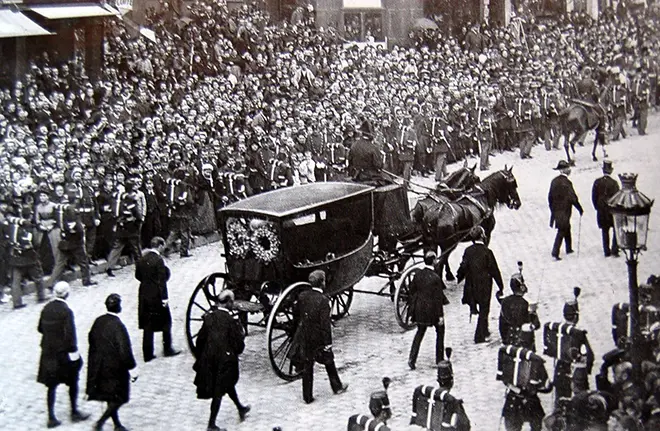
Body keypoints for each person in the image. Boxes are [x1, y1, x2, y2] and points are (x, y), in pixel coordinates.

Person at [193, 290, 250, 431]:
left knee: (227, 384)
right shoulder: (231, 321)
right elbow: (239, 345)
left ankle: (240, 408)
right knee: (218, 392)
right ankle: (211, 425)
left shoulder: (209, 318)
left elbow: (200, 340)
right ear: (229, 302)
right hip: (225, 360)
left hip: (209, 360)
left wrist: (204, 356)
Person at [289, 270, 348, 404]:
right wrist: (328, 343)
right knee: (329, 361)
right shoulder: (323, 301)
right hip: (318, 339)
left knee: (307, 367)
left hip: (305, 337)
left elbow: (297, 315)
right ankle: (337, 386)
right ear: (322, 283)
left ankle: (307, 396)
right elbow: (325, 325)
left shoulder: (302, 295)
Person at [37, 282, 90, 428]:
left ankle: (51, 417)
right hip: (63, 354)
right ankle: (74, 411)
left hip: (48, 352)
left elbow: (40, 328)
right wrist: (74, 354)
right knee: (73, 381)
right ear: (66, 294)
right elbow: (70, 336)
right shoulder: (66, 311)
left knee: (51, 385)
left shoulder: (46, 308)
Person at [87, 294, 138, 431]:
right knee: (120, 397)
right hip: (114, 368)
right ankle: (100, 423)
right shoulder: (118, 326)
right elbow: (125, 350)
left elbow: (91, 338)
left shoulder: (98, 321)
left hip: (99, 365)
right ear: (118, 307)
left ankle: (117, 425)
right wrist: (132, 369)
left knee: (111, 396)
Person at [136, 236, 181, 362]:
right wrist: (164, 298)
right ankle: (167, 348)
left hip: (144, 294)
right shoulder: (158, 260)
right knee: (166, 322)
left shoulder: (142, 258)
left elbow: (137, 275)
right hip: (157, 295)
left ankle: (147, 353)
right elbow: (162, 281)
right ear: (160, 246)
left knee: (147, 325)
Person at [457, 226, 504, 344]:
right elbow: (494, 269)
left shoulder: (468, 251)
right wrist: (500, 285)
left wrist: (459, 276)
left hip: (471, 284)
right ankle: (479, 336)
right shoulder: (487, 252)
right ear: (482, 236)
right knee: (484, 309)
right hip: (484, 285)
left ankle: (485, 329)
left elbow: (463, 266)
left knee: (479, 306)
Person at [408, 250, 449, 370]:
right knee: (440, 332)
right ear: (433, 261)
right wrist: (440, 316)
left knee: (419, 333)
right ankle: (439, 359)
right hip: (433, 312)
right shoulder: (436, 278)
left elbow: (412, 291)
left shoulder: (418, 275)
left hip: (420, 311)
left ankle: (412, 358)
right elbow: (438, 299)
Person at [497, 266, 540, 349]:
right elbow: (536, 324)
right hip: (523, 342)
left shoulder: (505, 301)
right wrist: (533, 313)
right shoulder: (525, 303)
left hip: (507, 340)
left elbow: (502, 325)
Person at [548, 160, 584, 261]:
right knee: (562, 229)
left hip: (556, 209)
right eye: (568, 168)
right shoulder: (567, 183)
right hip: (565, 209)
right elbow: (572, 197)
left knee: (566, 226)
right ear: (564, 170)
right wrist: (579, 208)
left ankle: (568, 248)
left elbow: (550, 197)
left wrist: (552, 209)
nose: (570, 170)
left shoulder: (554, 181)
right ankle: (555, 252)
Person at [592, 160, 620, 257]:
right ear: (611, 170)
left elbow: (594, 197)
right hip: (611, 210)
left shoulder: (597, 182)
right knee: (616, 229)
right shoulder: (614, 183)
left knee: (605, 230)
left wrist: (597, 207)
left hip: (601, 210)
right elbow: (617, 197)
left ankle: (606, 251)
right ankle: (615, 249)